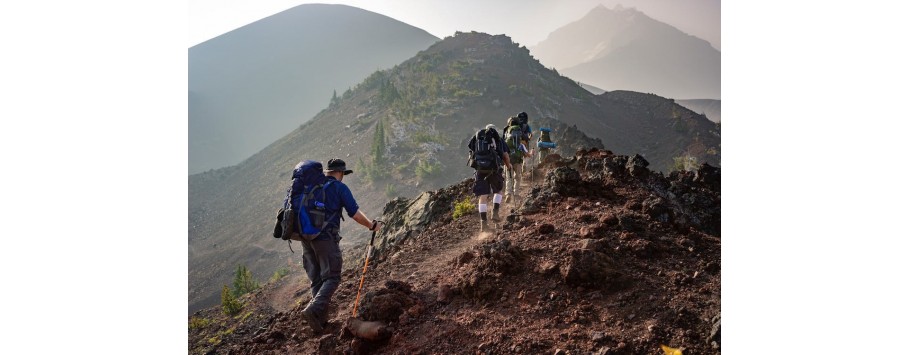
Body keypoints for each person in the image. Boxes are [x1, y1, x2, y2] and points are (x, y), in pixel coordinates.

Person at [299, 158, 381, 333]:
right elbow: (355, 213)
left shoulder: (312, 186)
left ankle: (320, 322)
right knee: (332, 277)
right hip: (325, 238)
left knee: (318, 279)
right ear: (341, 173)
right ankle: (313, 310)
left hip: (305, 238)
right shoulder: (339, 187)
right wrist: (371, 225)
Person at [467, 124, 512, 232]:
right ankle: (495, 212)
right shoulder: (498, 139)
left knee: (482, 197)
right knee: (498, 191)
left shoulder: (477, 138)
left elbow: (471, 152)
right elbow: (505, 155)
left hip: (479, 170)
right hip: (493, 169)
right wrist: (508, 166)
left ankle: (484, 224)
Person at [504, 116, 533, 202]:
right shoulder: (521, 142)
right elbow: (527, 154)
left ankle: (508, 193)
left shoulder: (507, 133)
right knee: (518, 177)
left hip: (508, 158)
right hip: (518, 159)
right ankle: (516, 194)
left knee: (509, 177)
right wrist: (531, 152)